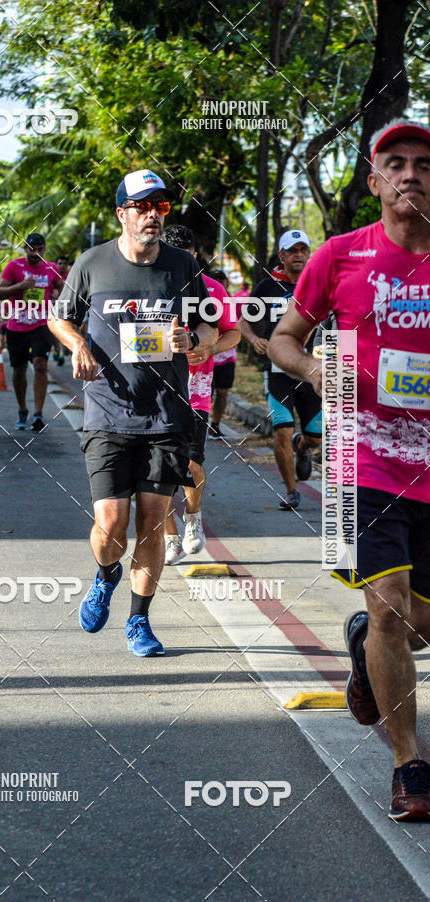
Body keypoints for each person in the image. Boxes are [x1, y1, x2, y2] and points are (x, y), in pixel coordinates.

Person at [268, 119, 430, 820]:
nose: (410, 174)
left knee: (414, 624)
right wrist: (314, 370)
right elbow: (284, 337)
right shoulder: (340, 256)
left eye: (423, 163)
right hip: (363, 461)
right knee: (390, 602)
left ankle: (365, 650)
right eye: (395, 163)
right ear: (374, 181)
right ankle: (409, 766)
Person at [49, 169, 217, 656]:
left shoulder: (182, 266)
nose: (152, 215)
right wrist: (79, 344)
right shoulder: (93, 263)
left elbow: (211, 327)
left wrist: (195, 339)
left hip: (166, 415)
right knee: (110, 527)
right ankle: (106, 574)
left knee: (153, 520)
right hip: (108, 412)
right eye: (142, 206)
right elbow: (59, 317)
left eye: (160, 207)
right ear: (122, 213)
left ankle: (139, 621)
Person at [160, 225, 241, 564]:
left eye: (187, 258)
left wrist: (209, 349)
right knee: (158, 473)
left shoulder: (212, 289)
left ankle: (193, 517)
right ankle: (169, 537)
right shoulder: (150, 285)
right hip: (156, 392)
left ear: (195, 257)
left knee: (192, 463)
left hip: (196, 392)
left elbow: (233, 333)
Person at [238, 230, 321, 509]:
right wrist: (254, 340)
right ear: (282, 255)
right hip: (277, 371)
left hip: (312, 370)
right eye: (292, 250)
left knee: (315, 438)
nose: (299, 255)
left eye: (303, 250)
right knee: (282, 431)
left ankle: (302, 446)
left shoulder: (318, 283)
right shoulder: (267, 286)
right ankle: (291, 491)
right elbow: (242, 323)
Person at [0, 233, 63, 430]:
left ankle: (38, 414)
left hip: (42, 323)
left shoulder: (51, 268)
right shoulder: (14, 266)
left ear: (44, 249)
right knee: (19, 370)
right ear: (25, 248)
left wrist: (57, 294)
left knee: (40, 364)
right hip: (17, 325)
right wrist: (21, 286)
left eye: (40, 249)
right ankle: (23, 409)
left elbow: (61, 288)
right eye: (32, 249)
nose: (35, 253)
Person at [209, 274, 250, 439]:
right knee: (206, 394)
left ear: (226, 283)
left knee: (223, 392)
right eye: (216, 282)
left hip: (227, 356)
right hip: (206, 357)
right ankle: (198, 426)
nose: (219, 285)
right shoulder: (202, 300)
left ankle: (215, 425)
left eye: (222, 281)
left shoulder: (234, 302)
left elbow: (241, 324)